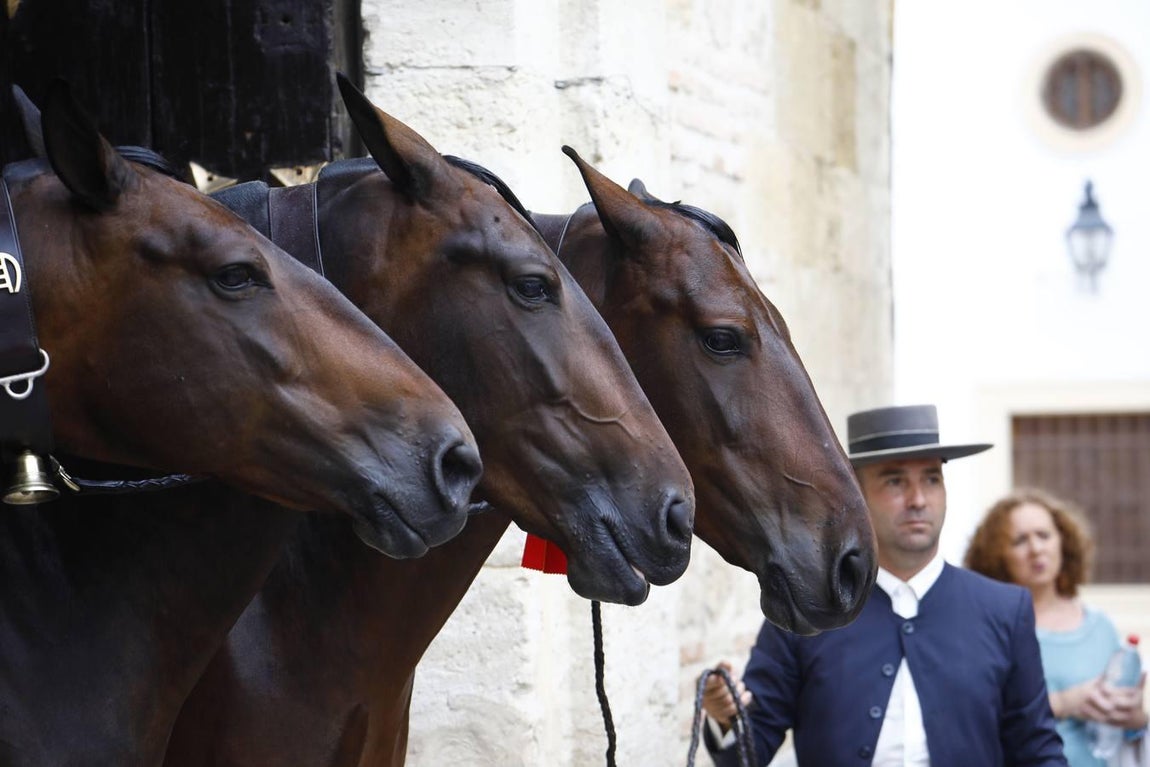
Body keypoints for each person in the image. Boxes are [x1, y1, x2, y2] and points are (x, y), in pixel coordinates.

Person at [702, 403, 1068, 766]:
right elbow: (748, 752)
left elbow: (1036, 749)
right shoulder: (810, 610)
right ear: (856, 495)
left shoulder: (1004, 609)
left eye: (931, 479)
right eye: (895, 481)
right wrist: (725, 718)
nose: (918, 500)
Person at [965, 488, 1148, 766]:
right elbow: (972, 715)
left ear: (1063, 542)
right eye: (1019, 540)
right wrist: (1066, 702)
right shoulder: (986, 628)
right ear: (996, 555)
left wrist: (1135, 717)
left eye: (1044, 535)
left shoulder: (1100, 627)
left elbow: (1126, 733)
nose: (1036, 548)